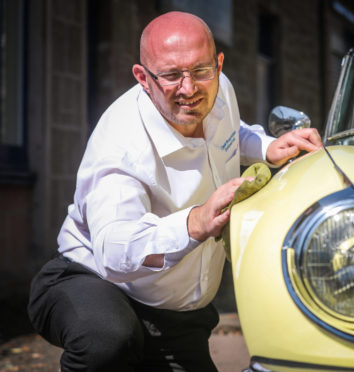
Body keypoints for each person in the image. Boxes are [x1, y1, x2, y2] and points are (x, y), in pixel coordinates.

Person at [27, 11, 322, 372]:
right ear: (143, 78)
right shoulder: (121, 148)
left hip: (174, 318)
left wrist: (266, 146)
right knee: (107, 342)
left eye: (201, 70)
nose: (189, 88)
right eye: (170, 75)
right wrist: (195, 222)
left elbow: (231, 131)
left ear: (218, 63)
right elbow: (114, 249)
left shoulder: (217, 89)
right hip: (92, 282)